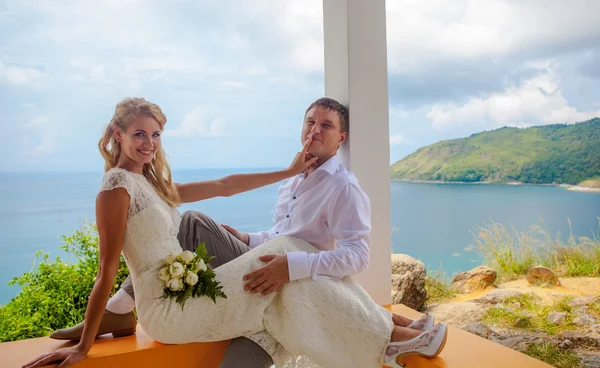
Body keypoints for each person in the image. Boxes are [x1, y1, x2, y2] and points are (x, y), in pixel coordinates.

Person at [27, 97, 447, 368]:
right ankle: (390, 337)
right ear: (117, 135)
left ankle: (390, 336)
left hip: (184, 292)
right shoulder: (115, 190)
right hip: (167, 311)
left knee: (285, 272)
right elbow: (106, 270)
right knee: (285, 257)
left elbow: (224, 186)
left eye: (155, 135)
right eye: (139, 134)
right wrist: (83, 344)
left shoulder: (150, 184)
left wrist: (285, 171)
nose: (149, 143)